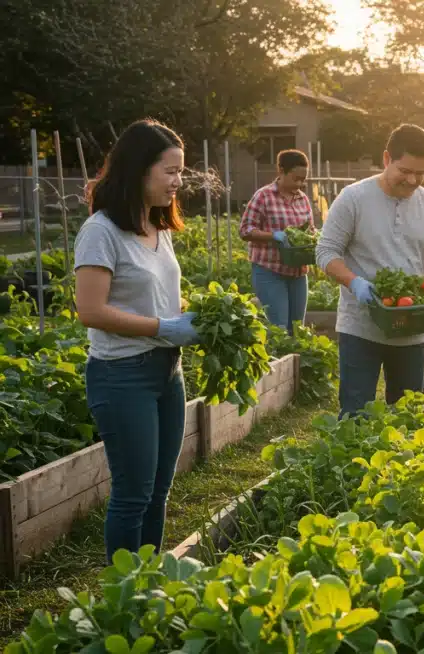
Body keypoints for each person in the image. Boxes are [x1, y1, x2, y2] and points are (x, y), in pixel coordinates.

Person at [72, 119, 199, 562]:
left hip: (168, 372)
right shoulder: (102, 231)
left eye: (180, 171)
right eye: (170, 171)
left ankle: (147, 591)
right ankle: (121, 597)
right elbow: (90, 310)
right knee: (133, 494)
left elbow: (157, 293)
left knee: (159, 491)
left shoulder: (156, 226)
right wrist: (162, 327)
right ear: (138, 169)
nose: (178, 181)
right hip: (122, 374)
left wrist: (192, 315)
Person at [315, 124, 424, 418]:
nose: (412, 179)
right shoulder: (353, 198)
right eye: (405, 170)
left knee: (407, 416)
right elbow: (326, 252)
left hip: (412, 327)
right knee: (356, 413)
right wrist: (355, 283)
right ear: (386, 158)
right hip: (361, 325)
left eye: (421, 173)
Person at [238, 149, 315, 334]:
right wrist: (274, 236)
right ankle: (279, 362)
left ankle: (296, 361)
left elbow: (310, 230)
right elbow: (245, 230)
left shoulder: (302, 199)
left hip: (297, 272)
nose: (300, 183)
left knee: (297, 329)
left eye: (303, 179)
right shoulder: (263, 196)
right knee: (279, 328)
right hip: (269, 271)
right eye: (295, 178)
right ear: (281, 171)